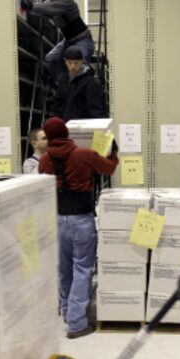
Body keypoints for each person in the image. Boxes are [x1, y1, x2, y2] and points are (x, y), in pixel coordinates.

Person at [39, 117, 119, 339]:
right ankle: (76, 323)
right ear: (66, 132)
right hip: (81, 220)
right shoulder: (84, 154)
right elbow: (109, 168)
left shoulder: (44, 161)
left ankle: (66, 311)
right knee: (82, 269)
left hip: (57, 219)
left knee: (64, 269)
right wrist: (113, 151)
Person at [20, 0, 96, 88]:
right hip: (69, 41)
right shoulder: (50, 1)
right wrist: (28, 8)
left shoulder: (67, 0)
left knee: (80, 65)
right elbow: (43, 11)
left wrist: (31, 6)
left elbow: (49, 9)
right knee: (50, 59)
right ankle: (62, 86)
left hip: (83, 40)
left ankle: (87, 85)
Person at [52, 46, 108, 121]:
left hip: (84, 129)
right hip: (66, 129)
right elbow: (57, 109)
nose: (73, 66)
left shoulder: (91, 84)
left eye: (76, 63)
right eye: (69, 63)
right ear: (65, 61)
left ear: (81, 61)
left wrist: (100, 132)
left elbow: (98, 113)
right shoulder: (63, 82)